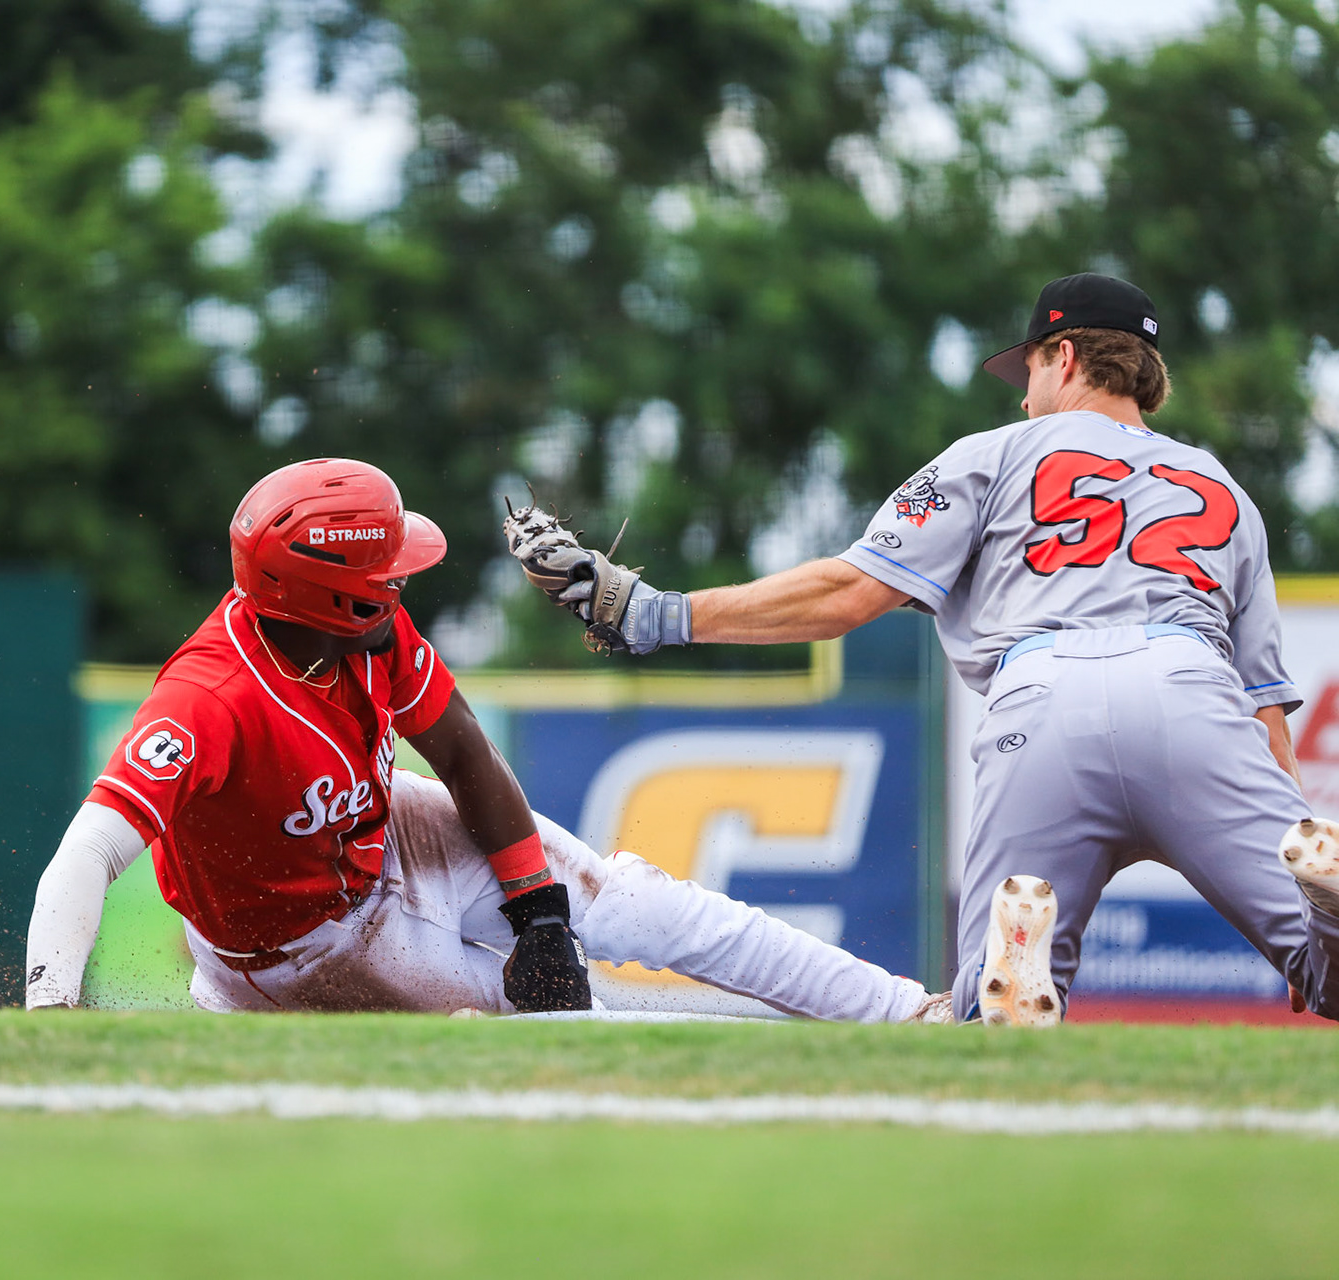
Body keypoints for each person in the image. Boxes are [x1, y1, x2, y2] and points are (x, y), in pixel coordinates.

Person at [506, 272, 1339, 1026]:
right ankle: (1326, 914)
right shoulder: (1223, 491)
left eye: (1030, 373)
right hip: (1190, 691)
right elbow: (1266, 713)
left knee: (987, 1017)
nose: (1021, 399)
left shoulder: (995, 454)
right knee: (1329, 973)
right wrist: (1302, 894)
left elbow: (848, 593)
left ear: (1065, 354)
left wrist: (654, 613)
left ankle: (1008, 967)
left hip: (1042, 700)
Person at [25, 457, 949, 1021]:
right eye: (384, 570)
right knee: (576, 1020)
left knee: (635, 903)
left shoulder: (366, 632)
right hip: (294, 952)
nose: (401, 580)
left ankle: (911, 1013)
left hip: (383, 833)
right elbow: (89, 851)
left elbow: (464, 754)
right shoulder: (210, 697)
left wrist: (537, 908)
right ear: (328, 595)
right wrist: (51, 1012)